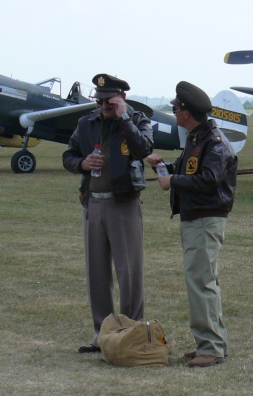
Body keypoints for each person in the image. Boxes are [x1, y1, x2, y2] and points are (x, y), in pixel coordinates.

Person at [147, 81, 237, 368]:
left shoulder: (212, 141)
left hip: (204, 218)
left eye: (175, 108)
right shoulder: (198, 138)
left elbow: (209, 180)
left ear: (186, 113)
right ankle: (212, 344)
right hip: (197, 217)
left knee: (200, 282)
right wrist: (167, 168)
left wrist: (172, 181)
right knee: (204, 281)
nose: (173, 111)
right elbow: (192, 170)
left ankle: (210, 348)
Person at [62, 73, 153, 352]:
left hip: (123, 202)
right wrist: (83, 163)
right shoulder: (86, 123)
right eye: (100, 102)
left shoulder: (137, 120)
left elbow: (144, 149)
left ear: (122, 98)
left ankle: (131, 330)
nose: (103, 107)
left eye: (109, 102)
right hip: (94, 203)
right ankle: (102, 333)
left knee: (129, 272)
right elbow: (69, 156)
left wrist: (124, 119)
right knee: (96, 273)